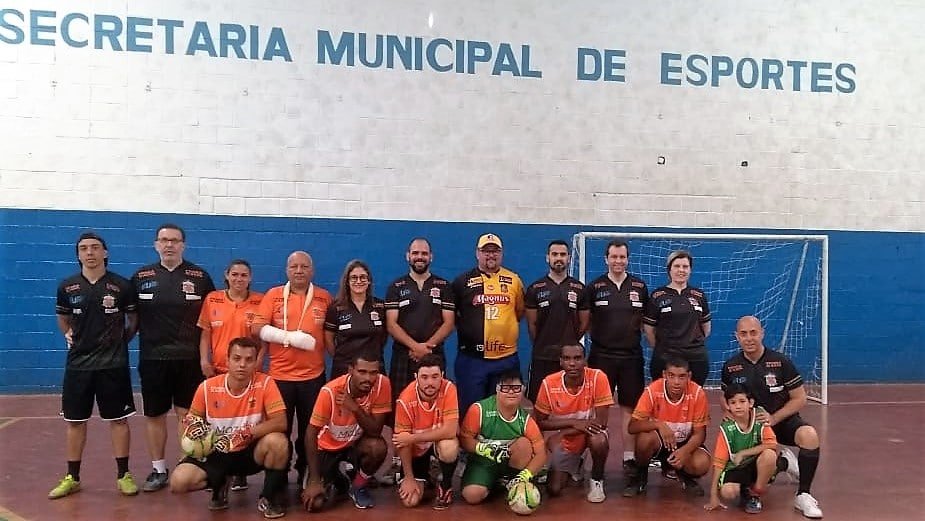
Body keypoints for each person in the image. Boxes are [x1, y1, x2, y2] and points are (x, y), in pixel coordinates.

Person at [49, 232, 140, 499]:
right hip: (79, 365)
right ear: (78, 255)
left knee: (118, 420)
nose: (90, 252)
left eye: (95, 248)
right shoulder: (67, 287)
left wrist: (120, 342)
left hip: (113, 364)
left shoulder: (122, 286)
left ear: (105, 253)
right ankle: (72, 477)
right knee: (75, 422)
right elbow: (62, 318)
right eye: (84, 249)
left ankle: (123, 475)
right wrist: (69, 335)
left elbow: (133, 320)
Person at [131, 223, 215, 492]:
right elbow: (129, 318)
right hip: (153, 359)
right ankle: (158, 469)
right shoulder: (140, 276)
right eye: (164, 240)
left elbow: (212, 319)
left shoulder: (199, 277)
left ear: (183, 245)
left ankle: (185, 464)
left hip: (188, 360)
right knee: (154, 415)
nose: (169, 245)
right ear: (156, 244)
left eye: (175, 240)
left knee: (186, 415)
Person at [168, 338, 290, 519]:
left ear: (257, 362)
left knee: (278, 442)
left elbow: (281, 422)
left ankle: (269, 496)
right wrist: (193, 429)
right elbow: (192, 419)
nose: (242, 365)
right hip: (216, 452)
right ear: (227, 360)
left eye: (249, 360)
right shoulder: (207, 388)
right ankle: (220, 484)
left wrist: (247, 434)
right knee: (178, 482)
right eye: (237, 358)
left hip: (249, 452)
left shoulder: (265, 384)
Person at [721, 315, 824, 518]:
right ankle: (781, 464)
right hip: (751, 430)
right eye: (743, 334)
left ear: (762, 334)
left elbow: (800, 398)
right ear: (736, 337)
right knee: (737, 489)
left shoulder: (780, 361)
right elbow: (727, 399)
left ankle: (803, 494)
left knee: (809, 435)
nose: (749, 338)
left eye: (753, 333)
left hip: (780, 422)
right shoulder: (731, 366)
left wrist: (774, 418)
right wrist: (732, 417)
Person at [252, 251, 332, 486]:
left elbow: (332, 333)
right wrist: (290, 337)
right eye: (294, 266)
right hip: (280, 378)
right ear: (287, 270)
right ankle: (278, 474)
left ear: (312, 270)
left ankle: (307, 470)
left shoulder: (324, 297)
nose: (299, 270)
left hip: (313, 377)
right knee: (280, 432)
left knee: (311, 430)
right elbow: (257, 328)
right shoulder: (274, 295)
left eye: (304, 266)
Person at [579, 239, 649, 476]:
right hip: (602, 356)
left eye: (622, 257)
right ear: (606, 259)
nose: (618, 261)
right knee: (598, 409)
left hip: (631, 356)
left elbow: (644, 322)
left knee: (629, 407)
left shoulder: (639, 286)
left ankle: (629, 458)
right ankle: (587, 457)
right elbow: (587, 322)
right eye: (614, 257)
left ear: (627, 259)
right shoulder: (594, 286)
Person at [197, 258, 264, 491]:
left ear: (250, 278)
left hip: (247, 374)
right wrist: (204, 360)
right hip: (219, 372)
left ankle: (241, 471)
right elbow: (205, 334)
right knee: (217, 424)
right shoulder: (212, 299)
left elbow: (263, 338)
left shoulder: (260, 301)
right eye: (234, 274)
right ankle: (218, 471)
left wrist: (258, 364)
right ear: (226, 275)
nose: (239, 279)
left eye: (244, 275)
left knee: (245, 422)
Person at [300, 350, 392, 511]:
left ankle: (358, 486)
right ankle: (334, 476)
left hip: (354, 445)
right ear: (351, 370)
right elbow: (310, 433)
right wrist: (314, 480)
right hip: (326, 448)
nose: (368, 378)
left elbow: (376, 430)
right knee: (315, 505)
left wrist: (354, 407)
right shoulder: (330, 391)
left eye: (373, 373)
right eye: (362, 372)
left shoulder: (382, 384)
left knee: (377, 448)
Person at [451, 233, 526, 415]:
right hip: (472, 359)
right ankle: (470, 443)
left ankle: (499, 442)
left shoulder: (514, 280)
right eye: (486, 251)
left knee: (503, 410)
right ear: (477, 253)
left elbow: (519, 312)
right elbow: (453, 315)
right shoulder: (461, 282)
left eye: (495, 251)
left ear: (501, 253)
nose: (491, 255)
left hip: (505, 358)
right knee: (471, 410)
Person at [532, 344, 613, 503]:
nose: (572, 363)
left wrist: (564, 432)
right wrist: (574, 423)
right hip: (570, 438)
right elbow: (540, 422)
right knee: (553, 489)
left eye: (577, 358)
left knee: (599, 440)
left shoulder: (598, 377)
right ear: (560, 362)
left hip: (591, 432)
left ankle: (597, 480)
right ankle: (576, 465)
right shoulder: (549, 383)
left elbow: (601, 422)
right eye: (567, 358)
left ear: (585, 360)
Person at [624, 357, 711, 499]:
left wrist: (684, 451)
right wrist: (658, 424)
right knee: (644, 439)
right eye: (672, 376)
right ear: (664, 375)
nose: (676, 382)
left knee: (702, 463)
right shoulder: (652, 391)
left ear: (689, 376)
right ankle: (640, 477)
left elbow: (700, 434)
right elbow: (632, 427)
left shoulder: (697, 393)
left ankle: (685, 475)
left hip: (683, 443)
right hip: (659, 443)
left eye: (682, 376)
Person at [458, 369, 546, 505]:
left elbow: (541, 454)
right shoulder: (479, 410)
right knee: (472, 496)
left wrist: (525, 475)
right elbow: (464, 440)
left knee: (524, 444)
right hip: (483, 462)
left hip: (509, 464)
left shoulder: (526, 420)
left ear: (522, 390)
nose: (511, 392)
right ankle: (492, 484)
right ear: (497, 389)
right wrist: (484, 449)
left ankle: (512, 481)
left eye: (516, 388)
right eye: (505, 388)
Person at [385, 237, 456, 403]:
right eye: (415, 253)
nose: (419, 257)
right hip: (404, 355)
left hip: (434, 354)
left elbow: (449, 323)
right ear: (407, 256)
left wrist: (427, 348)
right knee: (401, 401)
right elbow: (391, 324)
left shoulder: (444, 286)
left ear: (431, 257)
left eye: (424, 253)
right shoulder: (396, 286)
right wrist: (415, 347)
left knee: (436, 402)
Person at [392, 353, 460, 510]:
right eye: (424, 377)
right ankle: (423, 475)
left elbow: (450, 431)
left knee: (449, 446)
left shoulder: (449, 389)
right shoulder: (405, 400)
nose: (430, 382)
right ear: (416, 377)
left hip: (435, 443)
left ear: (442, 375)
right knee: (411, 502)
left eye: (435, 376)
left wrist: (413, 438)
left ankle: (445, 485)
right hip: (417, 451)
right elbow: (402, 442)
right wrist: (409, 478)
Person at [524, 240, 587, 403]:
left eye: (563, 254)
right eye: (554, 254)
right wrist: (543, 342)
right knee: (538, 402)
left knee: (571, 401)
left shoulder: (579, 288)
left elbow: (584, 323)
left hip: (570, 359)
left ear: (569, 258)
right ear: (547, 258)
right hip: (542, 355)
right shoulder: (535, 288)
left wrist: (570, 340)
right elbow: (532, 325)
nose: (558, 258)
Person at [705, 384, 778, 514]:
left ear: (751, 403)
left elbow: (772, 444)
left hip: (756, 463)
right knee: (728, 492)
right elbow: (719, 462)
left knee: (769, 455)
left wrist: (743, 453)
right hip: (737, 467)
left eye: (742, 401)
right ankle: (746, 489)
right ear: (727, 406)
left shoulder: (760, 417)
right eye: (733, 402)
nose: (738, 406)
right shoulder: (727, 428)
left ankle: (756, 493)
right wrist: (713, 495)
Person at [643, 250, 712, 385]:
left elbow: (706, 327)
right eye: (677, 266)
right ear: (669, 269)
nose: (681, 270)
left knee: (693, 397)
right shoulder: (657, 295)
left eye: (685, 267)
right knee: (663, 397)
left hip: (696, 357)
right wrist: (662, 347)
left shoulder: (699, 295)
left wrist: (692, 343)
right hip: (665, 356)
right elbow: (649, 329)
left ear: (690, 269)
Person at [325, 260, 388, 379]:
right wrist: (342, 359)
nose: (358, 281)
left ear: (369, 281)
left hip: (374, 368)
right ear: (347, 282)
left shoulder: (380, 306)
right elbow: (328, 339)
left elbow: (383, 336)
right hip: (344, 369)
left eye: (363, 277)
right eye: (354, 278)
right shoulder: (335, 308)